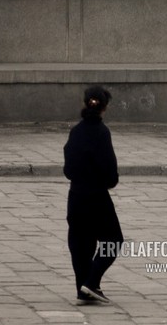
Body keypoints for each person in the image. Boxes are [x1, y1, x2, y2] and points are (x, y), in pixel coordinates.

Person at [63, 86, 123, 305]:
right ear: (105, 107)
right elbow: (110, 173)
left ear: (85, 103)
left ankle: (84, 288)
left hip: (76, 196)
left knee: (80, 244)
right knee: (113, 241)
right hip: (96, 198)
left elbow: (68, 169)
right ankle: (92, 280)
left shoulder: (76, 131)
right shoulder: (101, 132)